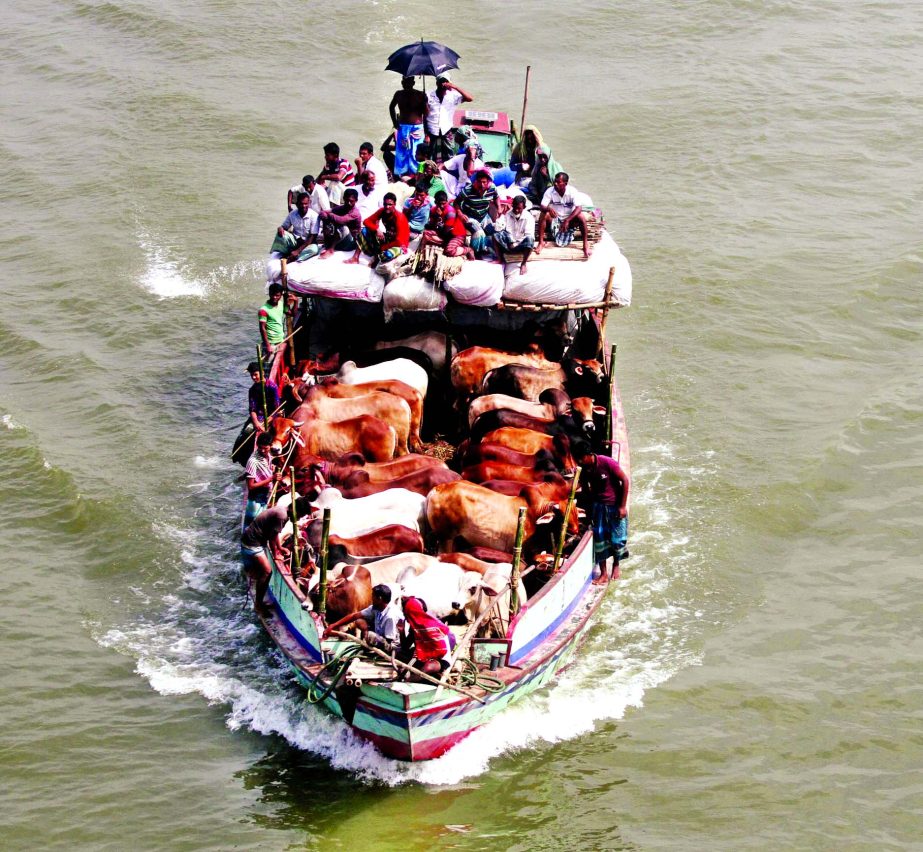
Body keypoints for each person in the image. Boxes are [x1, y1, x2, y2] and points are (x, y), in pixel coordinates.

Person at [240, 496, 313, 616]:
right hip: (252, 543)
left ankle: (260, 601)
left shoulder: (283, 512)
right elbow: (272, 538)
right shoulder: (282, 516)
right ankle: (258, 605)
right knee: (267, 571)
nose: (299, 519)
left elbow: (275, 533)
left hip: (257, 541)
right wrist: (276, 554)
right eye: (300, 515)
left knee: (264, 571)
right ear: (297, 511)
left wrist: (280, 548)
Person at [573, 441, 630, 584]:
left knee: (617, 538)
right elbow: (586, 490)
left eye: (580, 458)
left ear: (588, 455)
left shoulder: (606, 462)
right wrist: (588, 512)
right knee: (600, 541)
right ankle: (603, 573)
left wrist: (622, 506)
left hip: (614, 506)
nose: (579, 461)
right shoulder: (584, 469)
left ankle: (616, 565)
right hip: (598, 507)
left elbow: (625, 480)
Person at [323, 584, 402, 650]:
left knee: (370, 636)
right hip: (381, 636)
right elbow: (354, 616)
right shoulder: (377, 607)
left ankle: (369, 647)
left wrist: (372, 643)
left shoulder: (390, 616)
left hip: (392, 646)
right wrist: (334, 625)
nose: (372, 599)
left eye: (373, 596)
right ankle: (367, 643)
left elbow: (390, 640)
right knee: (359, 620)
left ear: (379, 599)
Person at [399, 596, 456, 678]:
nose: (405, 616)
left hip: (439, 659)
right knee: (399, 654)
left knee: (428, 667)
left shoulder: (431, 627)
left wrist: (423, 655)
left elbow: (441, 652)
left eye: (406, 614)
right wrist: (401, 631)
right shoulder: (415, 628)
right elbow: (405, 647)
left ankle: (410, 680)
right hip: (423, 657)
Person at [536, 173, 590, 258]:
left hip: (569, 220)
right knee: (544, 214)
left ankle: (585, 244)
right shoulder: (550, 191)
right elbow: (542, 206)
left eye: (558, 182)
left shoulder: (572, 191)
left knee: (581, 216)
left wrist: (567, 220)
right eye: (555, 182)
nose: (555, 184)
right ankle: (541, 242)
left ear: (565, 183)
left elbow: (579, 208)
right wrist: (549, 209)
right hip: (555, 219)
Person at [349, 192, 410, 267]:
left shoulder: (399, 218)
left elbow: (399, 241)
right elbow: (366, 221)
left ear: (395, 204)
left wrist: (383, 248)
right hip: (388, 239)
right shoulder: (382, 211)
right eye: (385, 204)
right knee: (364, 231)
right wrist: (377, 229)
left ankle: (377, 257)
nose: (387, 207)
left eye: (390, 204)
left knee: (386, 255)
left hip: (400, 245)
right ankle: (355, 257)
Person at [425, 73, 473, 163]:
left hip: (446, 129)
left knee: (449, 154)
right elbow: (424, 115)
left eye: (446, 82)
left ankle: (448, 171)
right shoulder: (428, 95)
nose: (443, 84)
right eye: (441, 81)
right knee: (429, 154)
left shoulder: (453, 96)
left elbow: (470, 98)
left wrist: (454, 87)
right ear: (437, 83)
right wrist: (426, 134)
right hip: (431, 130)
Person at [389, 76, 428, 177]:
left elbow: (427, 112)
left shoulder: (420, 95)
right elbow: (391, 107)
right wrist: (395, 123)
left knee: (417, 153)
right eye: (404, 81)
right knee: (402, 154)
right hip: (404, 128)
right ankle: (402, 176)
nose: (405, 83)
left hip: (417, 128)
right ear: (402, 82)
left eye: (408, 81)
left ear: (413, 82)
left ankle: (418, 175)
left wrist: (425, 101)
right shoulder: (399, 94)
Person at [454, 170, 498, 256]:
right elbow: (456, 202)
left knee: (495, 230)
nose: (482, 185)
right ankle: (474, 251)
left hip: (484, 216)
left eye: (484, 182)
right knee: (479, 233)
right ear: (476, 181)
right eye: (479, 182)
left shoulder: (492, 188)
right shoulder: (467, 190)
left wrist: (499, 208)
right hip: (470, 216)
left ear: (488, 181)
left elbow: (496, 197)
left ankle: (488, 249)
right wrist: (460, 214)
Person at [510, 125, 562, 195]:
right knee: (533, 187)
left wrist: (546, 174)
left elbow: (550, 165)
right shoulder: (519, 148)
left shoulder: (542, 148)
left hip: (540, 178)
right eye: (528, 139)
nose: (530, 141)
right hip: (524, 178)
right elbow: (511, 166)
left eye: (532, 139)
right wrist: (520, 166)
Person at [493, 195, 536, 274]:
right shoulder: (507, 214)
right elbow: (497, 229)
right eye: (515, 207)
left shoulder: (529, 217)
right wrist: (502, 214)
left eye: (519, 208)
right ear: (512, 206)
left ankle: (523, 263)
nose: (516, 210)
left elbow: (529, 235)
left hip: (521, 245)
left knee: (530, 239)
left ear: (524, 207)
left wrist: (515, 243)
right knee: (495, 235)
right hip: (509, 244)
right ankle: (499, 259)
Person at [420, 190, 471, 258]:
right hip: (444, 235)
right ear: (435, 202)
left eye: (443, 203)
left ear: (447, 202)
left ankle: (468, 250)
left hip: (457, 235)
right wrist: (437, 218)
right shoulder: (433, 210)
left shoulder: (450, 212)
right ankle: (447, 244)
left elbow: (445, 231)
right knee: (425, 234)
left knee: (449, 251)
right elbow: (432, 225)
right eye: (439, 204)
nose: (442, 206)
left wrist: (440, 217)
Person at [244, 432, 278, 525]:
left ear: (271, 446)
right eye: (260, 447)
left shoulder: (269, 455)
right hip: (256, 497)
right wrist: (270, 479)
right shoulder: (252, 462)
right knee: (253, 523)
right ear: (257, 445)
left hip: (266, 492)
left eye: (265, 448)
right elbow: (250, 486)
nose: (262, 451)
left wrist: (272, 468)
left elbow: (267, 467)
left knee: (263, 521)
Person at [275, 193, 321, 261]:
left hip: (308, 243)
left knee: (314, 250)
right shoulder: (292, 214)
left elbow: (312, 237)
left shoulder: (314, 216)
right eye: (301, 203)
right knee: (280, 235)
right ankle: (283, 254)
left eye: (306, 204)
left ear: (309, 203)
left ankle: (295, 258)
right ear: (297, 204)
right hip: (296, 241)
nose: (303, 206)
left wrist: (298, 251)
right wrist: (280, 229)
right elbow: (284, 227)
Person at [318, 188, 362, 257]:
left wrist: (329, 215)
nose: (349, 203)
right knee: (326, 220)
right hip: (340, 240)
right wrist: (325, 215)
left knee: (343, 228)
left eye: (351, 201)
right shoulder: (342, 208)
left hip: (350, 243)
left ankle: (331, 249)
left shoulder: (355, 213)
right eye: (347, 200)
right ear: (344, 198)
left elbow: (341, 220)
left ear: (356, 201)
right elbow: (323, 212)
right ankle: (327, 245)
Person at [247, 360, 280, 433]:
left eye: (256, 374)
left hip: (272, 416)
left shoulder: (272, 387)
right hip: (259, 418)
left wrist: (270, 419)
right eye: (252, 375)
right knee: (245, 433)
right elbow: (252, 409)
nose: (254, 377)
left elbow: (277, 407)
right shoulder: (252, 390)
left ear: (262, 373)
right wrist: (256, 423)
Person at [258, 283, 287, 357]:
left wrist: (296, 301)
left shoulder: (281, 304)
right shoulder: (263, 310)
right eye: (272, 294)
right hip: (271, 343)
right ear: (269, 294)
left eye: (277, 295)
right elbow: (262, 328)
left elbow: (291, 313)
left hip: (280, 340)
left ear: (281, 295)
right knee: (268, 365)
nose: (274, 297)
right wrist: (268, 346)